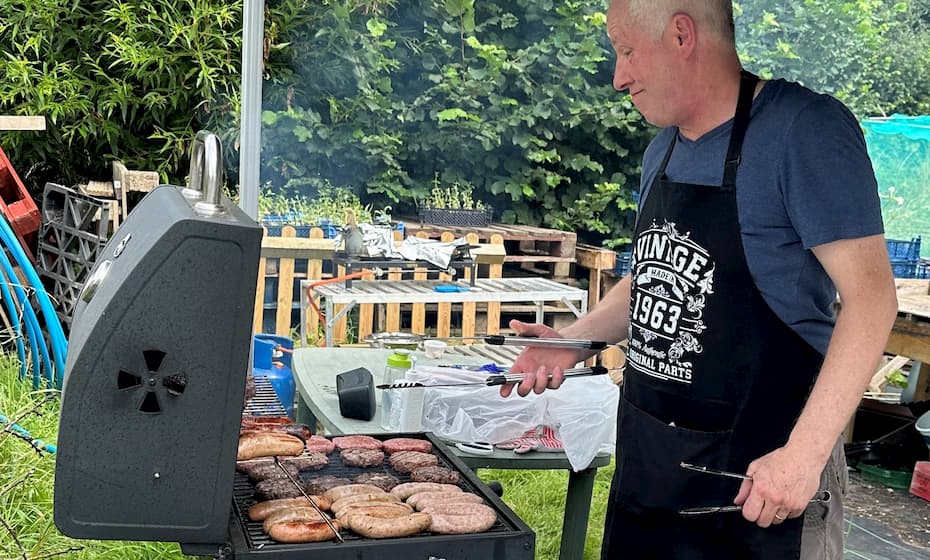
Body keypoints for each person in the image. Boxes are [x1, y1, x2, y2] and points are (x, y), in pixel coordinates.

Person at [501, 1, 899, 558]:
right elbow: (654, 271)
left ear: (682, 34)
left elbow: (872, 300)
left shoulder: (801, 131)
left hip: (763, 477)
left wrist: (804, 456)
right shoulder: (662, 149)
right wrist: (575, 342)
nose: (619, 77)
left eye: (626, 50)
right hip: (652, 465)